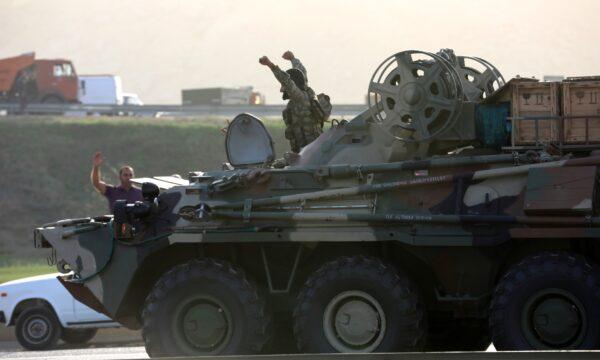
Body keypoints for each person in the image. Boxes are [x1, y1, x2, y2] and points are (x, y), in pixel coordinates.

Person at [259, 51, 324, 153]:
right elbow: (301, 72)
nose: (281, 90)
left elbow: (287, 81)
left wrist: (270, 65)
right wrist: (293, 59)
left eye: (283, 87)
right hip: (310, 149)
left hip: (309, 151)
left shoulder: (299, 98)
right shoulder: (305, 92)